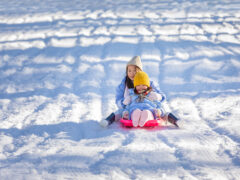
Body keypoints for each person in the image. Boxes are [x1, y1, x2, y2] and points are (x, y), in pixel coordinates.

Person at [100, 56, 179, 127]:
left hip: (149, 104)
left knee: (162, 112)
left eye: (135, 71)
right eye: (129, 71)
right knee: (119, 112)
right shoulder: (124, 84)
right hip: (130, 106)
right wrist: (124, 102)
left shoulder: (149, 82)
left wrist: (158, 96)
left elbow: (162, 95)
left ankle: (176, 121)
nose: (132, 73)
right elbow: (118, 99)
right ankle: (108, 121)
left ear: (140, 71)